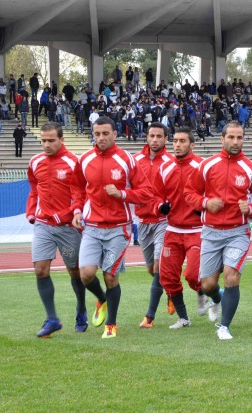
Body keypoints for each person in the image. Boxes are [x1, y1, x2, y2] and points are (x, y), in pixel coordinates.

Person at [184, 121, 252, 340]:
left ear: (244, 139)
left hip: (238, 232)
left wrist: (250, 209)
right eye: (231, 137)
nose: (235, 141)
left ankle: (224, 326)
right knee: (207, 284)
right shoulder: (207, 166)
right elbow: (189, 193)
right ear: (222, 139)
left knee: (231, 277)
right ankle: (217, 297)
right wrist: (205, 203)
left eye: (239, 137)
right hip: (210, 232)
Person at [72, 117, 153, 339]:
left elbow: (146, 192)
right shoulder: (85, 159)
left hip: (119, 228)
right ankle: (102, 299)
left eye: (105, 133)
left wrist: (122, 194)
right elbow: (77, 188)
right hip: (91, 227)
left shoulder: (127, 159)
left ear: (115, 134)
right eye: (97, 134)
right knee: (86, 274)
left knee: (110, 277)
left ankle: (111, 325)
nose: (101, 138)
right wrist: (77, 210)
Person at [26, 122, 89, 337]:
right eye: (43, 140)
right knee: (40, 270)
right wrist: (31, 211)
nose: (46, 145)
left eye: (51, 140)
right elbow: (34, 189)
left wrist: (67, 214)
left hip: (68, 227)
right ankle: (52, 319)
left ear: (62, 140)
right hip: (43, 224)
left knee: (75, 272)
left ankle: (81, 308)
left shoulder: (74, 163)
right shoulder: (35, 162)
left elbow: (82, 195)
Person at [154, 127, 208, 330]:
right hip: (173, 230)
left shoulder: (202, 166)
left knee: (193, 275)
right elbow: (156, 195)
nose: (177, 145)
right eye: (175, 141)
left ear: (192, 144)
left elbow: (212, 193)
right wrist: (160, 206)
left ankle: (203, 291)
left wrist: (201, 207)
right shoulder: (165, 168)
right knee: (167, 277)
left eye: (182, 141)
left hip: (197, 230)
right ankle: (183, 318)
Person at [133, 122, 175, 328]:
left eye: (159, 136)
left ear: (166, 139)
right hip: (142, 222)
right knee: (152, 270)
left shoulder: (171, 162)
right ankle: (170, 291)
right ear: (147, 137)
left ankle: (149, 316)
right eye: (152, 136)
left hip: (163, 221)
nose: (155, 140)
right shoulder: (134, 161)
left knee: (158, 266)